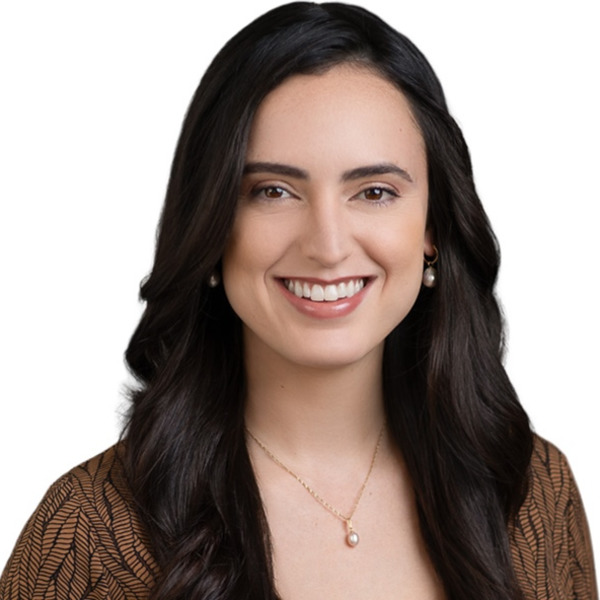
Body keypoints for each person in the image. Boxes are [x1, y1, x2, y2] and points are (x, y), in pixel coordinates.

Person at [0, 2, 596, 599]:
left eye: (374, 192)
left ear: (433, 227)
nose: (328, 247)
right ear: (212, 224)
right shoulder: (88, 535)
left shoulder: (533, 492)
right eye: (274, 191)